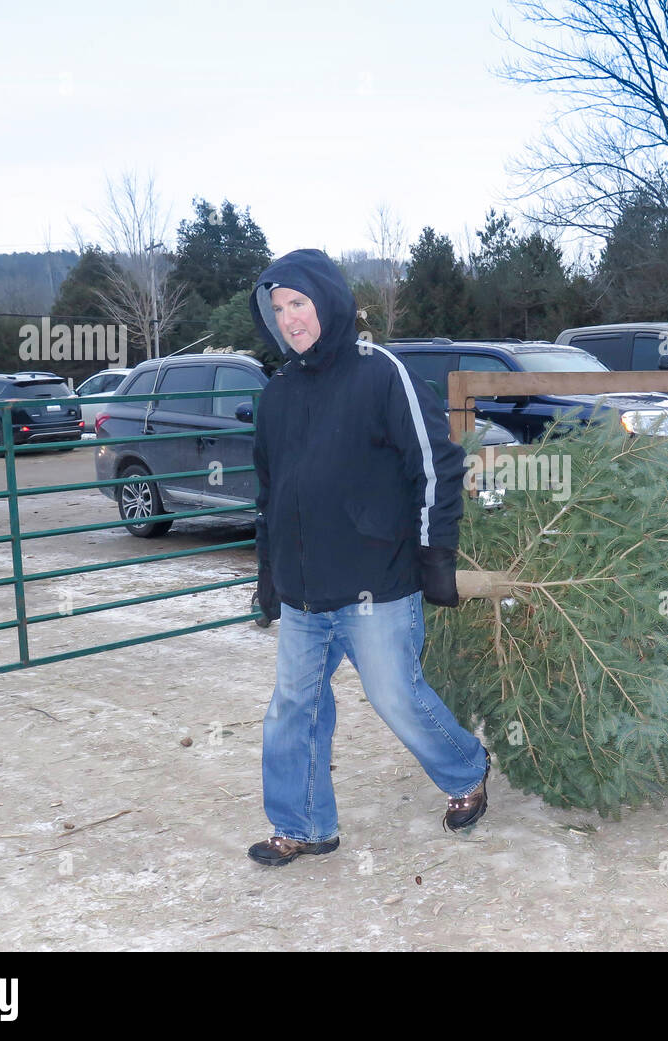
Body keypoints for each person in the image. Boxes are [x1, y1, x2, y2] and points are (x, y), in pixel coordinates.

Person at [245, 248, 490, 866]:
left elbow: (437, 463)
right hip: (304, 591)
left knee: (395, 697)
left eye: (298, 303)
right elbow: (269, 494)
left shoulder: (380, 372)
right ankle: (302, 825)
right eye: (277, 309)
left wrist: (435, 556)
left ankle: (466, 768)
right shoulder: (276, 394)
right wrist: (268, 572)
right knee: (292, 708)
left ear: (326, 300)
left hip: (376, 583)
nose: (289, 319)